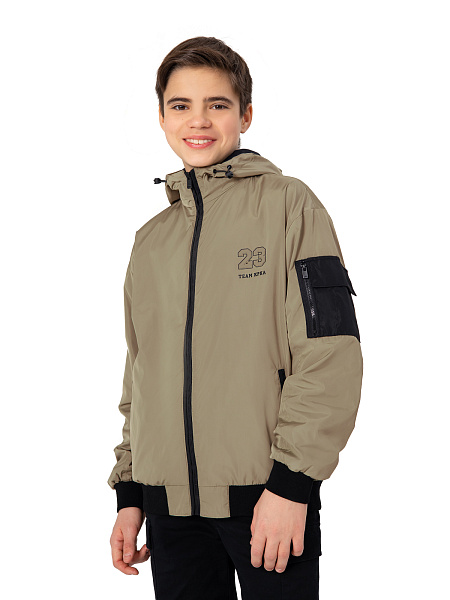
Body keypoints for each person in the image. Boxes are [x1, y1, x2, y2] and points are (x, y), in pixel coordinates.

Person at [108, 36, 363, 599]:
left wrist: (292, 486)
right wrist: (131, 493)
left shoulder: (289, 205)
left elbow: (330, 352)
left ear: (245, 115)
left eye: (217, 104)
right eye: (181, 105)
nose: (198, 120)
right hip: (168, 509)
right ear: (161, 117)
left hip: (267, 498)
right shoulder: (151, 241)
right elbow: (140, 375)